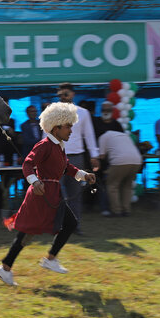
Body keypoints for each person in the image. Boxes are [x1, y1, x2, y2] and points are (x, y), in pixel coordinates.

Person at [0, 102, 96, 286]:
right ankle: (12, 267)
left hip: (52, 195)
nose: (71, 131)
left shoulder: (59, 146)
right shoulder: (45, 144)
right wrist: (35, 181)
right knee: (28, 233)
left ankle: (12, 266)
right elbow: (27, 164)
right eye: (68, 127)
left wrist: (84, 175)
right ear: (56, 127)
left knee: (37, 231)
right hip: (40, 196)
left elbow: (66, 168)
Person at [57, 83, 99, 235]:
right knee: (56, 194)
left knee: (75, 194)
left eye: (66, 94)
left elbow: (89, 135)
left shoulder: (83, 113)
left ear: (73, 94)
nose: (63, 97)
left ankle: (75, 226)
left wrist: (94, 155)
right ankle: (59, 226)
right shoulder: (51, 113)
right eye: (60, 94)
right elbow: (45, 135)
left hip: (77, 157)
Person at [98, 130, 142, 216]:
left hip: (120, 161)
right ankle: (126, 210)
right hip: (137, 160)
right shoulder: (124, 135)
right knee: (127, 186)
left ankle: (116, 210)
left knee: (112, 186)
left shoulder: (103, 137)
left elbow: (102, 156)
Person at [92, 101, 124, 216]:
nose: (106, 112)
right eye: (104, 110)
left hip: (114, 159)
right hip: (99, 159)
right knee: (100, 183)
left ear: (112, 111)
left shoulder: (116, 125)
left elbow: (122, 140)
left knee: (113, 184)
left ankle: (114, 206)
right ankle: (103, 207)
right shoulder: (95, 123)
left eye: (108, 110)